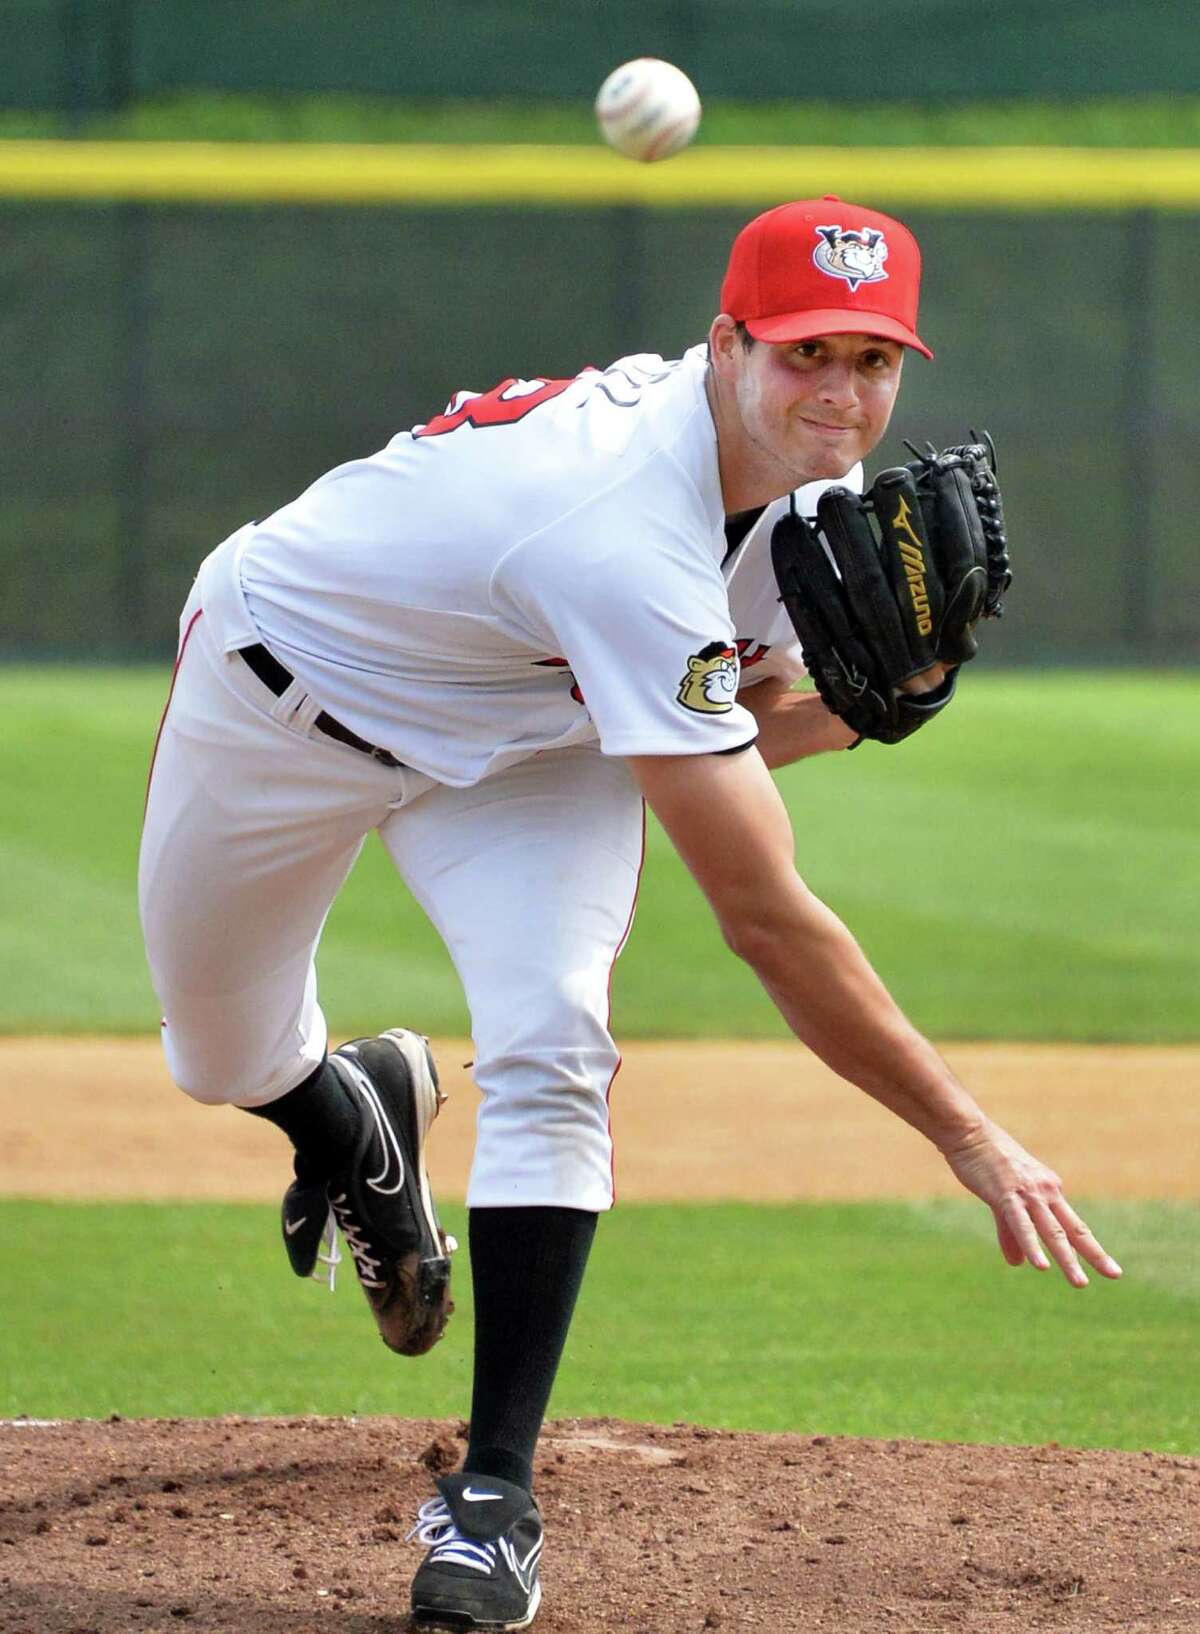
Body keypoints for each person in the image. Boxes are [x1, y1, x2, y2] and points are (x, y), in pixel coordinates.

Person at [138, 196, 1121, 1632]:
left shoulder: (797, 520)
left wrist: (876, 703)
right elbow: (766, 917)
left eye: (876, 360)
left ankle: (492, 1501)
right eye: (804, 356)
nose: (843, 400)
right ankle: (351, 1117)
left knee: (553, 1036)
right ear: (724, 345)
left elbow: (721, 734)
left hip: (533, 742)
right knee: (218, 1056)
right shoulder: (615, 518)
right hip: (286, 695)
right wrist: (967, 1132)